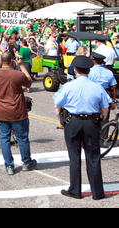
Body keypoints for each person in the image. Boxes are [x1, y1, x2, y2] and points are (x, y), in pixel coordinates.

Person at [54, 56, 110, 201]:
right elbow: (105, 110)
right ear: (89, 71)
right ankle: (97, 192)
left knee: (74, 156)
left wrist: (60, 119)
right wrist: (100, 120)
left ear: (74, 70)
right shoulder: (97, 87)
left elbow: (57, 105)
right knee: (93, 156)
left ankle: (75, 190)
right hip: (91, 122)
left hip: (73, 121)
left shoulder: (67, 86)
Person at [0, 52, 37, 175]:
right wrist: (21, 65)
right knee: (22, 137)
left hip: (2, 111)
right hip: (17, 110)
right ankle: (26, 162)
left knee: (4, 138)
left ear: (1, 61)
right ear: (12, 61)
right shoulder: (18, 75)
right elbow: (29, 81)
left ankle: (9, 165)